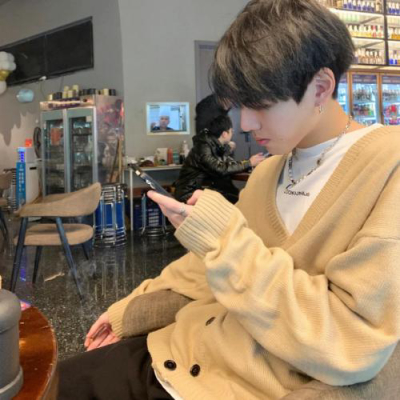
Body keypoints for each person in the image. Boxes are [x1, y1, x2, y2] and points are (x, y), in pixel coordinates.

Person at [58, 1, 400, 399]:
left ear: (321, 87)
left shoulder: (386, 167)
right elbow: (202, 268)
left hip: (238, 385)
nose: (246, 123)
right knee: (50, 382)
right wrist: (131, 308)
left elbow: (349, 339)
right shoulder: (268, 172)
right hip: (181, 349)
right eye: (241, 105)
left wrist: (224, 239)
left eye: (261, 104)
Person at [174, 94, 265, 203]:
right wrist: (249, 163)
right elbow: (219, 168)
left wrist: (249, 163)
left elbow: (228, 164)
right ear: (224, 134)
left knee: (238, 198)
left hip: (203, 190)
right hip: (189, 194)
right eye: (231, 131)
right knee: (237, 200)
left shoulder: (216, 147)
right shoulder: (203, 146)